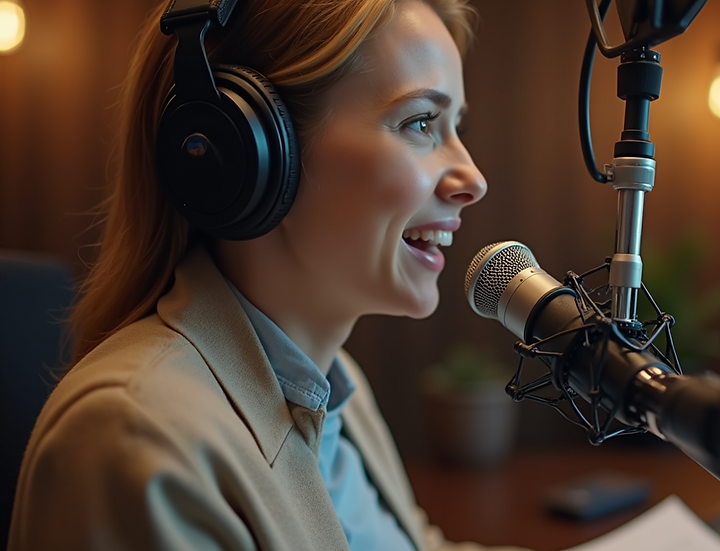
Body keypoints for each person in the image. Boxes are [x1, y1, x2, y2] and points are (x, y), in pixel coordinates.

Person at [7, 0, 527, 549]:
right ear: (250, 148)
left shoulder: (337, 390)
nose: (473, 178)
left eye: (456, 126)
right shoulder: (136, 438)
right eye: (420, 122)